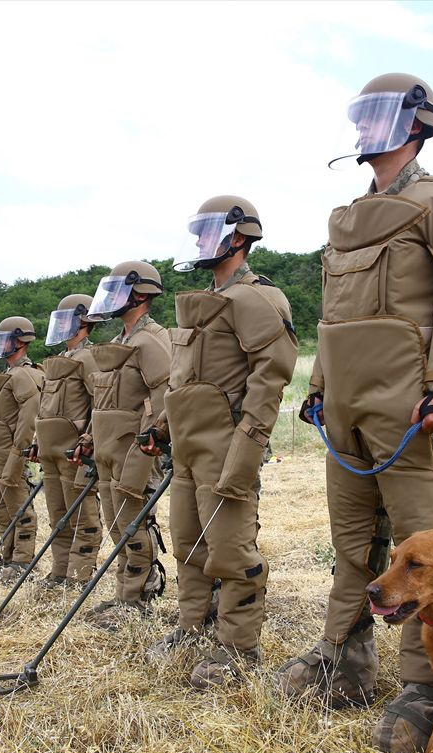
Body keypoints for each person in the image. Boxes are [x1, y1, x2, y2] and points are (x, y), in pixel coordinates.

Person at [274, 73, 433, 753]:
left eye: (380, 115)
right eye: (360, 115)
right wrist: (319, 385)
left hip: (408, 409)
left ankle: (427, 687)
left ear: (417, 123)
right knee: (352, 549)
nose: (365, 130)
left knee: (420, 557)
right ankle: (342, 659)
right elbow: (336, 318)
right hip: (345, 410)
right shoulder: (348, 218)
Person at [141, 195, 297, 689]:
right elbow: (184, 380)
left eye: (209, 232)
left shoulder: (256, 299)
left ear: (238, 237)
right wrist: (161, 429)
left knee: (231, 550)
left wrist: (245, 453)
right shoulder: (209, 301)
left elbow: (269, 379)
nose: (198, 242)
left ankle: (238, 648)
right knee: (188, 543)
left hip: (227, 447)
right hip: (189, 447)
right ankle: (193, 626)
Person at [73, 261, 171, 627]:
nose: (111, 298)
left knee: (133, 525)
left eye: (120, 290)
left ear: (141, 294)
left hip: (136, 449)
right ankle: (122, 595)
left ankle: (139, 598)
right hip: (107, 450)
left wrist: (156, 435)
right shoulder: (118, 344)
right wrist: (87, 439)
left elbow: (164, 395)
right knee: (116, 526)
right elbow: (103, 401)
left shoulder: (151, 341)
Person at [34, 294, 104, 588]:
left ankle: (78, 576)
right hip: (52, 452)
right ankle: (59, 572)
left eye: (67, 321)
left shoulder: (90, 358)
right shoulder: (61, 360)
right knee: (58, 516)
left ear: (83, 322)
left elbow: (100, 402)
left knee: (82, 519)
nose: (61, 327)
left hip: (76, 452)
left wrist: (89, 440)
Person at [0, 316, 45, 584]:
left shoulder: (23, 375)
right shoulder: (7, 375)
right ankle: (8, 556)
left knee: (20, 509)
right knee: (3, 511)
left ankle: (23, 561)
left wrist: (19, 453)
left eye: (6, 340)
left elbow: (29, 418)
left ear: (19, 341)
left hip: (10, 453)